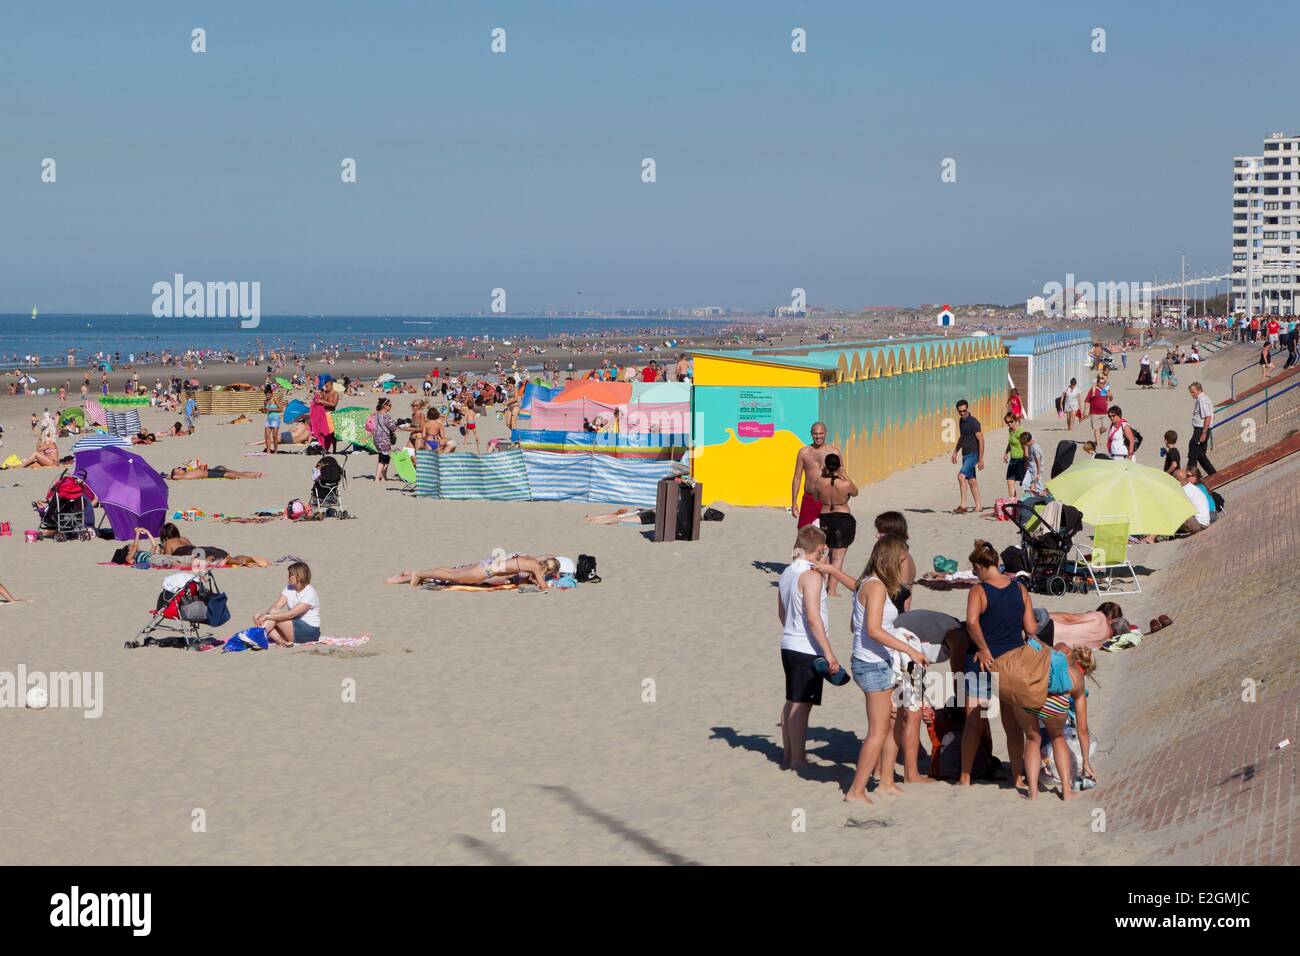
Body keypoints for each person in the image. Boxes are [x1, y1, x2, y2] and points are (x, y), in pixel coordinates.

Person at [819, 535, 926, 802]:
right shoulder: (876, 587)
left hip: (882, 661)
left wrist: (833, 570)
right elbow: (874, 630)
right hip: (872, 663)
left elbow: (859, 608)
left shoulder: (871, 583)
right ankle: (856, 790)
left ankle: (886, 781)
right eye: (901, 560)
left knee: (892, 723)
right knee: (877, 731)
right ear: (891, 560)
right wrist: (909, 650)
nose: (904, 564)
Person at [961, 539, 1038, 791]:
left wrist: (983, 648)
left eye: (975, 570)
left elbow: (971, 622)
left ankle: (965, 777)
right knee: (1012, 723)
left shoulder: (979, 591)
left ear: (980, 565)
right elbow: (1031, 628)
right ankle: (1017, 776)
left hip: (981, 661)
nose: (975, 574)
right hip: (1012, 661)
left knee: (974, 719)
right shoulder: (1019, 589)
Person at [775, 525, 842, 770]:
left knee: (792, 700)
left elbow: (782, 612)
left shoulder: (787, 572)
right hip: (806, 646)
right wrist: (828, 651)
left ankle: (789, 755)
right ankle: (797, 759)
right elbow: (813, 618)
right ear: (820, 549)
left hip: (789, 642)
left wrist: (793, 630)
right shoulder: (811, 576)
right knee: (802, 705)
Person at [1022, 643, 1097, 800]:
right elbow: (1082, 729)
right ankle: (1066, 791)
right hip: (1056, 708)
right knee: (1058, 738)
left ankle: (1033, 793)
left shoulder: (1060, 651)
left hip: (1032, 695)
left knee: (1032, 739)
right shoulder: (1077, 680)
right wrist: (1086, 763)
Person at [811, 453, 858, 597]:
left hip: (825, 517)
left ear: (825, 466)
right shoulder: (845, 483)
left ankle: (819, 585)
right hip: (842, 518)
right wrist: (844, 475)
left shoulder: (819, 481)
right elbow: (855, 492)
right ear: (839, 466)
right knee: (837, 557)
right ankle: (831, 590)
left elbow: (816, 497)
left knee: (824, 553)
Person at [385, 554, 560, 589]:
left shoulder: (533, 560)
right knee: (452, 576)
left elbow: (549, 555)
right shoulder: (537, 568)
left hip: (490, 563)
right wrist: (548, 583)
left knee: (452, 571)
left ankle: (407, 576)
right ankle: (419, 574)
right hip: (487, 571)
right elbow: (543, 586)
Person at [255, 561, 322, 646]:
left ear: (299, 577)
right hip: (293, 627)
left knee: (272, 614)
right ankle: (281, 642)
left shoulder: (309, 593)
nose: (288, 577)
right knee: (257, 616)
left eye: (290, 575)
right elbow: (277, 606)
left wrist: (267, 616)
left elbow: (291, 615)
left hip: (309, 632)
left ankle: (257, 637)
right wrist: (264, 617)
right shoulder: (289, 588)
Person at [790, 422, 839, 529]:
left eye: (821, 433)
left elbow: (841, 475)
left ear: (826, 433)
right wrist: (794, 501)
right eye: (815, 433)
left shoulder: (834, 452)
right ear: (811, 434)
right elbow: (797, 478)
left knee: (829, 535)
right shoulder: (804, 452)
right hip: (809, 498)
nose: (818, 436)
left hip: (827, 500)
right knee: (804, 533)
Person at [949, 399, 983, 514]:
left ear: (967, 409)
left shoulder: (973, 422)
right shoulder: (961, 421)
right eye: (960, 411)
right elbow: (962, 437)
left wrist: (981, 459)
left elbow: (981, 440)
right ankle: (978, 506)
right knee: (972, 481)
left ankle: (963, 506)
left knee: (961, 477)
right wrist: (955, 451)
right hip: (965, 454)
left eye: (964, 411)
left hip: (973, 454)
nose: (962, 413)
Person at [1187, 382, 1216, 476]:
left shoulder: (1202, 400)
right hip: (1202, 429)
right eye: (1191, 392)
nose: (1192, 394)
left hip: (1201, 430)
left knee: (1192, 453)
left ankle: (1191, 476)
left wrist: (1203, 433)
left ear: (1199, 390)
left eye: (1193, 392)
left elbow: (1208, 416)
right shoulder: (1204, 398)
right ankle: (1212, 473)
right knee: (1200, 454)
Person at [370, 397, 397, 481]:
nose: (390, 406)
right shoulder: (386, 415)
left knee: (386, 457)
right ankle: (377, 478)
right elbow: (392, 427)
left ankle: (384, 476)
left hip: (376, 438)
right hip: (384, 439)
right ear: (385, 406)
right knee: (382, 459)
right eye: (389, 405)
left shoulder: (376, 415)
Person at [1002, 413, 1026, 497]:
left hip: (1021, 459)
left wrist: (1027, 459)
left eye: (1010, 421)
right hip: (1013, 459)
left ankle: (1028, 502)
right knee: (1010, 481)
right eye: (1007, 422)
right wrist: (1006, 453)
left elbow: (1025, 446)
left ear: (1015, 420)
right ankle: (1012, 502)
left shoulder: (1020, 431)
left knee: (1025, 482)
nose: (1009, 424)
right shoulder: (1010, 430)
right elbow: (1010, 442)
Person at [1084, 377, 1110, 446]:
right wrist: (1085, 410)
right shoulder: (1093, 390)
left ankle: (1097, 438)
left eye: (1104, 383)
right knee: (1096, 428)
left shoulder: (1106, 390)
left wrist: (1109, 397)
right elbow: (1087, 400)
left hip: (1104, 413)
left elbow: (1110, 398)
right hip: (1094, 413)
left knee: (1105, 428)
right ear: (1097, 383)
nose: (1103, 384)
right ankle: (1098, 443)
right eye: (1101, 383)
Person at [1020, 431, 1045, 496]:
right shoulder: (1030, 444)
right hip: (1030, 468)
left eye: (1026, 443)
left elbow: (1038, 461)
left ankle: (1044, 498)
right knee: (1025, 484)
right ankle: (1030, 498)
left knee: (1038, 487)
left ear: (1030, 440)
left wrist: (1038, 474)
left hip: (1036, 469)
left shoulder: (1035, 448)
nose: (1025, 445)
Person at [169, 464, 264, 480]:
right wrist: (167, 476)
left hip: (209, 470)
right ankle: (250, 477)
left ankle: (255, 473)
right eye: (178, 469)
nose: (180, 468)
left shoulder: (186, 472)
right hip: (209, 474)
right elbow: (173, 477)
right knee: (230, 474)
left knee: (234, 471)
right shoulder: (182, 476)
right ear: (177, 473)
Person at [263, 387, 283, 454]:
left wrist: (271, 409)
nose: (267, 396)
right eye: (265, 395)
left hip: (276, 419)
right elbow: (266, 411)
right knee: (267, 436)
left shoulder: (275, 400)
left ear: (271, 394)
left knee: (274, 436)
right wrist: (264, 410)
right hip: (269, 420)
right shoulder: (265, 401)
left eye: (268, 395)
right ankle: (268, 450)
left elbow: (281, 409)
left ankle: (275, 450)